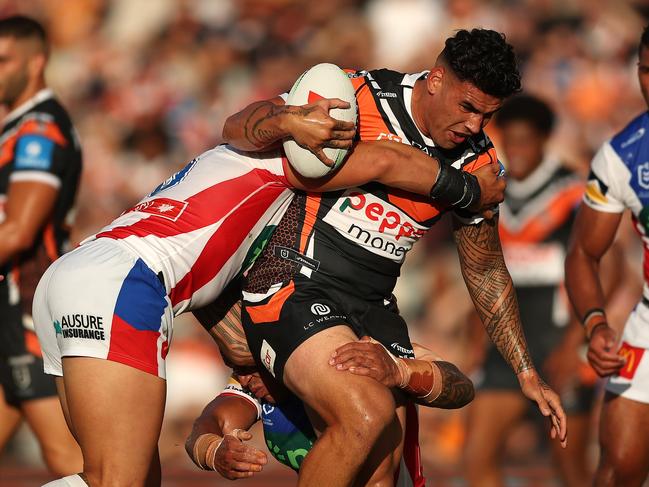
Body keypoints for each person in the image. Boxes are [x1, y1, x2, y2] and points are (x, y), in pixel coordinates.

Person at [33, 79, 504, 486]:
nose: (333, 142)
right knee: (117, 482)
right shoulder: (292, 165)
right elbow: (386, 162)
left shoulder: (240, 153)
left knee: (119, 476)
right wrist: (469, 189)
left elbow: (240, 125)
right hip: (127, 280)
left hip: (76, 273)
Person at [225, 29, 567, 487]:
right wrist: (286, 119)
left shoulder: (479, 164)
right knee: (366, 414)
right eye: (467, 108)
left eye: (488, 115)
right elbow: (238, 127)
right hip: (294, 280)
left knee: (383, 475)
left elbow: (484, 268)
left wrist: (526, 370)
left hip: (373, 307)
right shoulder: (356, 95)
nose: (474, 126)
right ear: (436, 79)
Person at [464, 94, 596, 487]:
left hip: (560, 346)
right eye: (511, 141)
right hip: (505, 346)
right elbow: (482, 271)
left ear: (544, 140)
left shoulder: (574, 193)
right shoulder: (489, 191)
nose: (517, 151)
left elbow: (603, 270)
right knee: (476, 458)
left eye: (526, 141)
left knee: (569, 467)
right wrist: (475, 336)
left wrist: (576, 341)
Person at [185, 337, 473, 485]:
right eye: (238, 369)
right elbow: (209, 423)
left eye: (251, 367)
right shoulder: (256, 384)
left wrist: (401, 371)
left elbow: (462, 386)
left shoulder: (358, 354)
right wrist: (213, 451)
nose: (245, 378)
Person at [565, 25, 649, 487]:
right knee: (617, 472)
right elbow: (583, 253)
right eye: (646, 71)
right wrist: (596, 324)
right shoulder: (621, 156)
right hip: (647, 326)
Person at [0, 16, 82, 476]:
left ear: (36, 62)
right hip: (7, 305)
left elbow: (17, 232)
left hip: (28, 306)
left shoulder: (39, 130)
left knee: (67, 457)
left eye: (2, 60)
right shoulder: (16, 128)